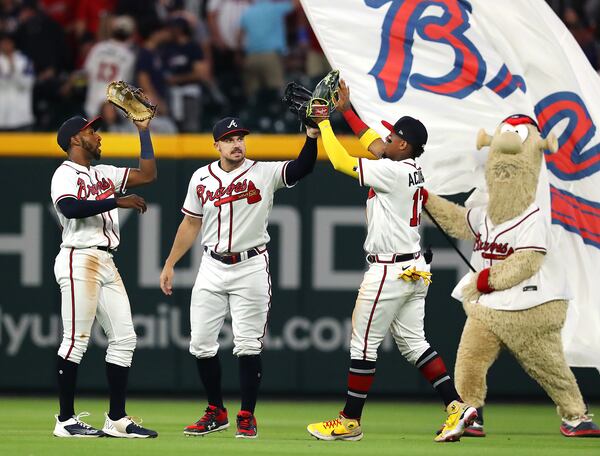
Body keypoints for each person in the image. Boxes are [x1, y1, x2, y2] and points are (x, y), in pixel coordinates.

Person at [305, 80, 477, 442]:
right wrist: (346, 110)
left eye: (392, 139)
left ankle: (350, 421)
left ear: (403, 145)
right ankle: (458, 408)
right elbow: (374, 143)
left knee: (363, 344)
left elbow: (339, 160)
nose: (384, 142)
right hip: (413, 268)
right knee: (415, 345)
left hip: (389, 270)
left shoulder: (393, 171)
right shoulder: (407, 166)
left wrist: (323, 122)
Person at [159, 116, 320, 439]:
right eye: (230, 139)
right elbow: (191, 224)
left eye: (241, 138)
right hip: (212, 266)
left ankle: (247, 414)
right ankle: (216, 411)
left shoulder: (263, 172)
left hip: (250, 266)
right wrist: (170, 263)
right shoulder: (201, 178)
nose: (237, 144)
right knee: (201, 344)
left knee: (247, 345)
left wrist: (312, 137)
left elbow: (302, 167)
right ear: (216, 144)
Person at [50, 113, 158, 438]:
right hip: (78, 257)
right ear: (74, 139)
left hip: (106, 261)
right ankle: (65, 420)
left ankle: (117, 420)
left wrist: (144, 131)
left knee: (125, 339)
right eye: (91, 131)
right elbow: (69, 208)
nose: (98, 136)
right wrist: (114, 201)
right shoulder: (64, 173)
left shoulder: (104, 173)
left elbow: (148, 174)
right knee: (75, 342)